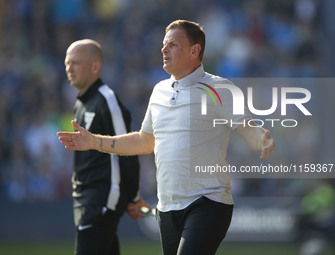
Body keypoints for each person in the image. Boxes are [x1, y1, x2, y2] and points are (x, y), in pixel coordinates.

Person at [58, 22, 275, 255]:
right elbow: (144, 141)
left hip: (208, 202)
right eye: (164, 45)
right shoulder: (159, 90)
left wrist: (262, 140)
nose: (164, 50)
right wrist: (94, 142)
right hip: (167, 209)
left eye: (172, 45)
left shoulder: (219, 88)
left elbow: (248, 129)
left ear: (194, 51)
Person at [63, 39, 150, 255]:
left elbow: (129, 149)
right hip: (86, 198)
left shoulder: (107, 101)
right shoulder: (81, 103)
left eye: (76, 63)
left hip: (100, 199)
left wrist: (133, 197)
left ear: (95, 66)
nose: (69, 68)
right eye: (67, 63)